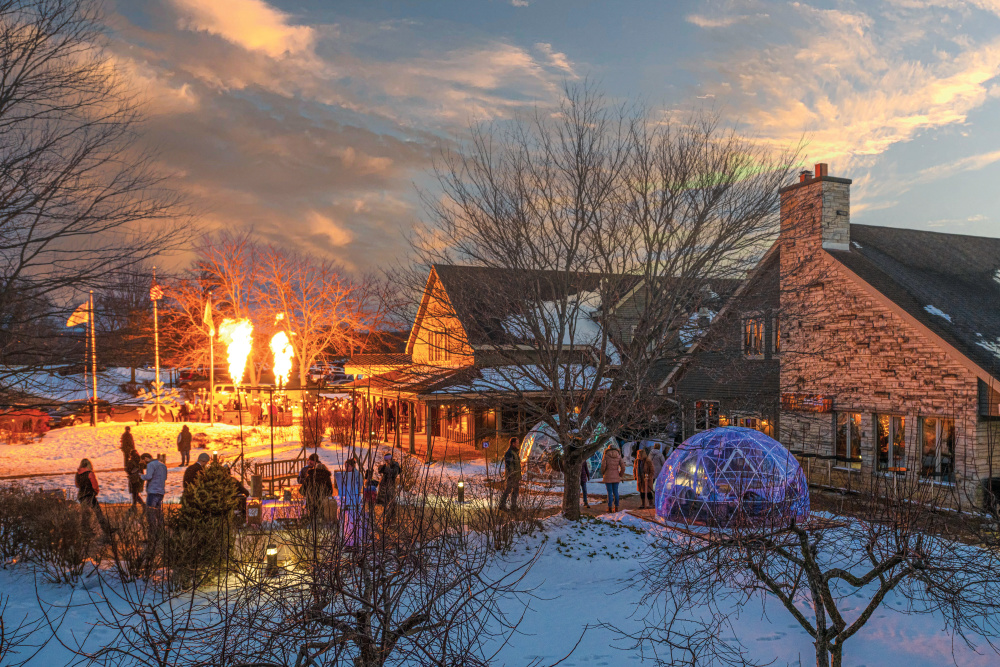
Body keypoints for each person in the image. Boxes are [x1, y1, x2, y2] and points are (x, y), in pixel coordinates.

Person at [75, 458, 110, 533]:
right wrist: (95, 492)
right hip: (89, 495)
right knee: (98, 512)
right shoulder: (90, 473)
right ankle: (106, 529)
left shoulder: (77, 474)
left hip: (81, 495)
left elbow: (77, 485)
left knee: (85, 513)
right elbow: (95, 485)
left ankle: (85, 530)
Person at [335, 458, 363, 547]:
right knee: (346, 519)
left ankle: (355, 540)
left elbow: (360, 485)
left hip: (354, 497)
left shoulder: (357, 474)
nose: (346, 468)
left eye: (348, 466)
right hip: (345, 497)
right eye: (345, 466)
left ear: (352, 466)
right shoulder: (343, 474)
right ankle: (347, 539)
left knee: (353, 518)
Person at [300, 453, 333, 519]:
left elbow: (302, 490)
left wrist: (308, 494)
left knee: (313, 518)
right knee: (323, 517)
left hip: (311, 502)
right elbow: (330, 491)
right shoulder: (326, 477)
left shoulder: (310, 477)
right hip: (323, 501)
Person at [140, 452, 168, 529]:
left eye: (143, 461)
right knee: (158, 512)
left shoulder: (150, 465)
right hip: (161, 491)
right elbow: (165, 478)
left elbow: (148, 476)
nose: (144, 464)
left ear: (146, 458)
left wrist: (141, 476)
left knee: (150, 512)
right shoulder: (163, 465)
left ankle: (152, 530)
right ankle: (161, 528)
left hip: (153, 491)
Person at [599, 442, 626, 513]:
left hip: (608, 475)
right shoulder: (618, 455)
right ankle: (616, 507)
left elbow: (603, 466)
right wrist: (620, 474)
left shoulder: (606, 455)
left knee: (609, 492)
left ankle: (609, 507)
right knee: (616, 492)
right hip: (616, 475)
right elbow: (623, 467)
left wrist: (603, 472)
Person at [498, 437, 521, 512]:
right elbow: (509, 465)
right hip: (511, 476)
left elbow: (517, 465)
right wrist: (512, 474)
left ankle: (513, 506)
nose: (518, 444)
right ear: (513, 443)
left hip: (515, 475)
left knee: (515, 490)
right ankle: (502, 505)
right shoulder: (509, 453)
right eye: (517, 443)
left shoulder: (515, 452)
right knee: (508, 490)